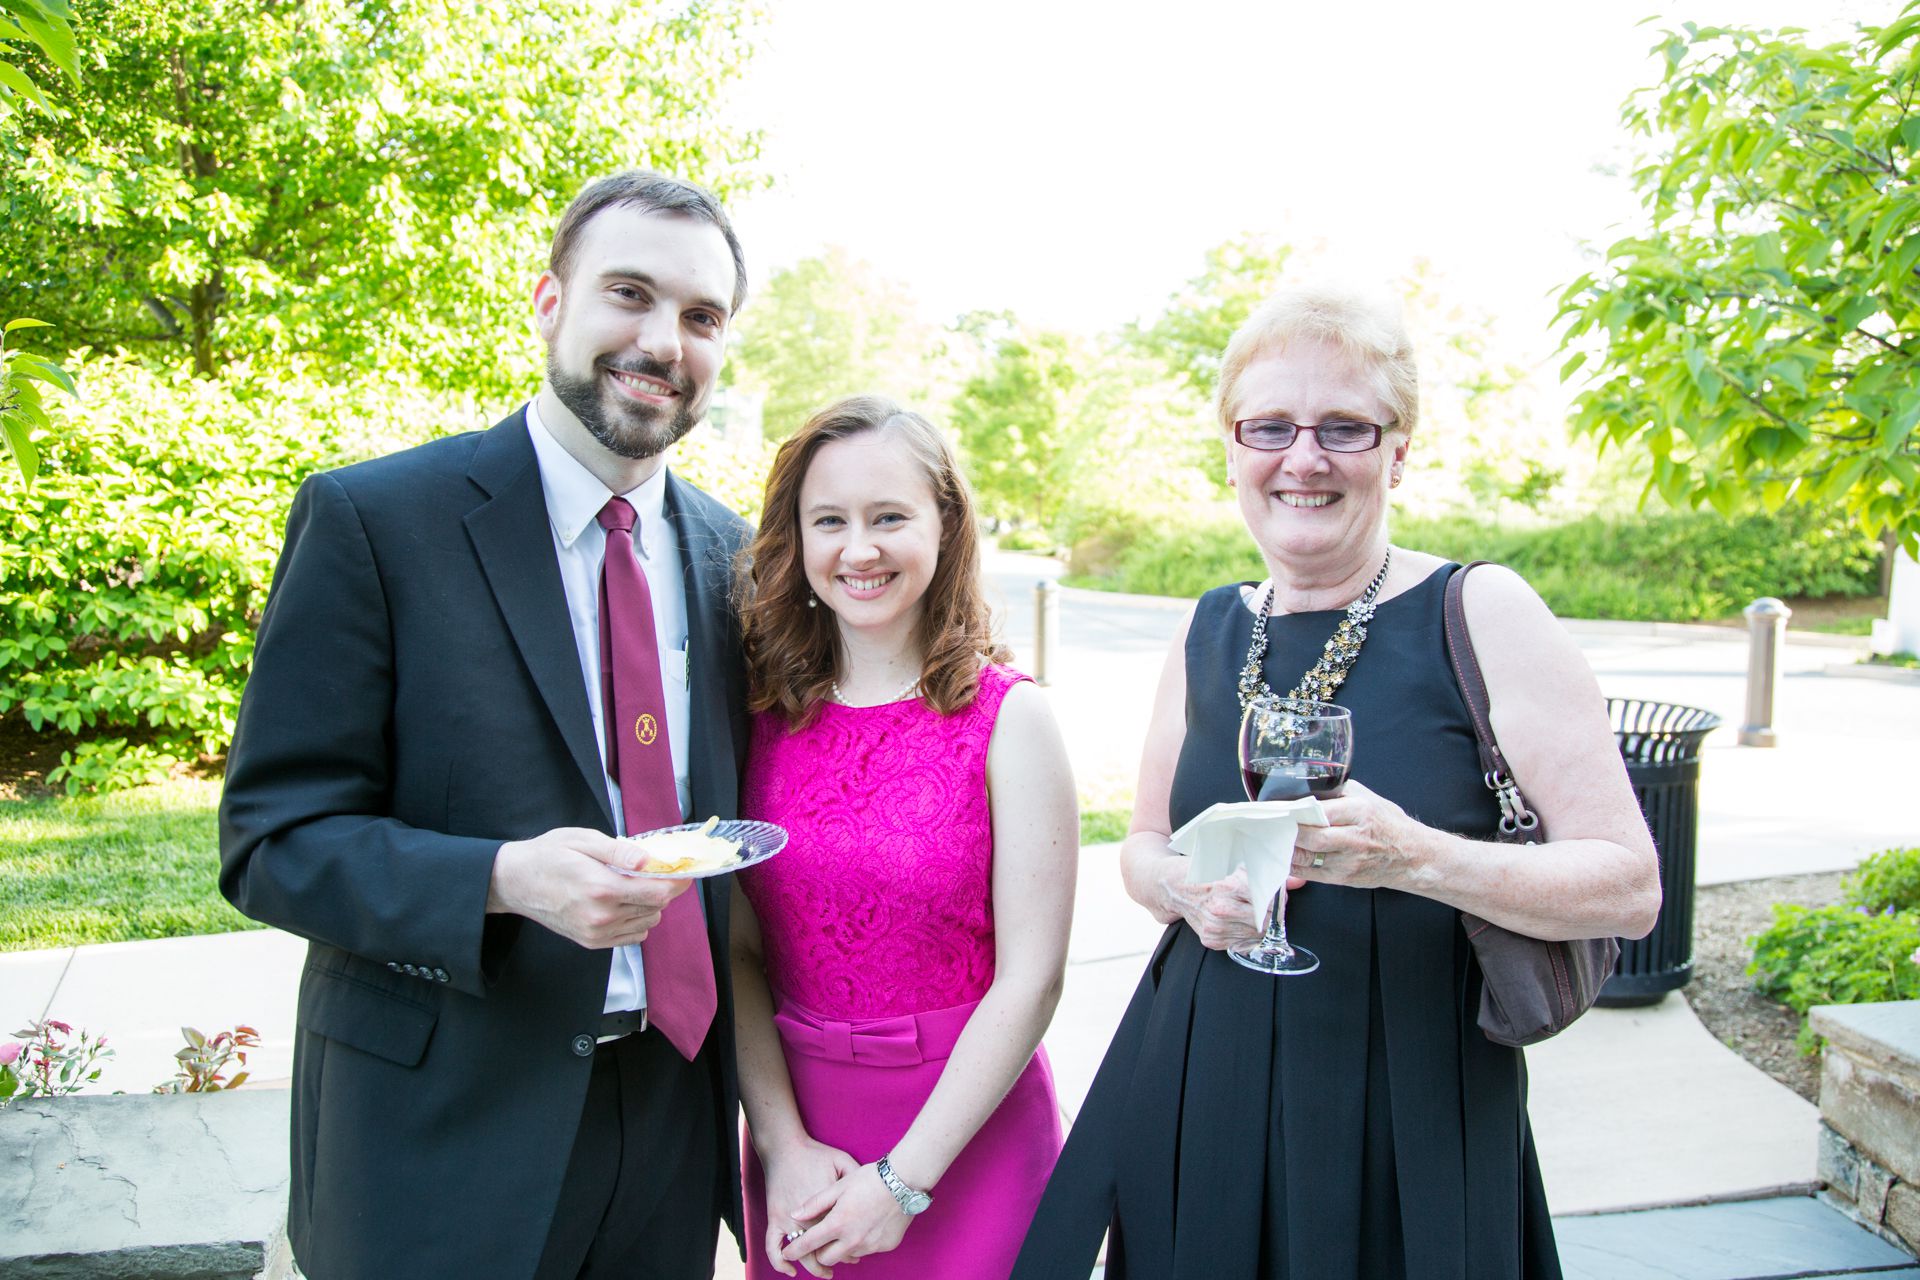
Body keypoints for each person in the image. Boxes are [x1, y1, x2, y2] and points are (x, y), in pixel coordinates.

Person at [1012, 281, 1661, 1280]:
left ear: (1398, 451)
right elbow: (1142, 849)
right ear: (1233, 446)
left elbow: (1628, 884)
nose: (1303, 457)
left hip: (1415, 1102)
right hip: (1202, 1079)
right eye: (1270, 425)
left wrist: (1418, 858)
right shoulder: (1207, 626)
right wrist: (1186, 888)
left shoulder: (1482, 610)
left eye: (1344, 427)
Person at [219, 171, 754, 1279]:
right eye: (628, 293)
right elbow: (272, 843)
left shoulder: (737, 559)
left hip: (670, 1122)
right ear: (550, 302)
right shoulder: (374, 521)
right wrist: (503, 880)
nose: (663, 341)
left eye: (701, 315)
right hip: (439, 1134)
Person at [727, 396, 1077, 1279]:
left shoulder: (1009, 719)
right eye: (830, 521)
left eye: (889, 517)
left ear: (945, 526)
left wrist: (902, 1183)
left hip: (967, 1136)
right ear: (796, 537)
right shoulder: (756, 718)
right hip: (803, 1143)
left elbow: (1033, 979)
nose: (860, 550)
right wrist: (780, 1144)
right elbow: (738, 953)